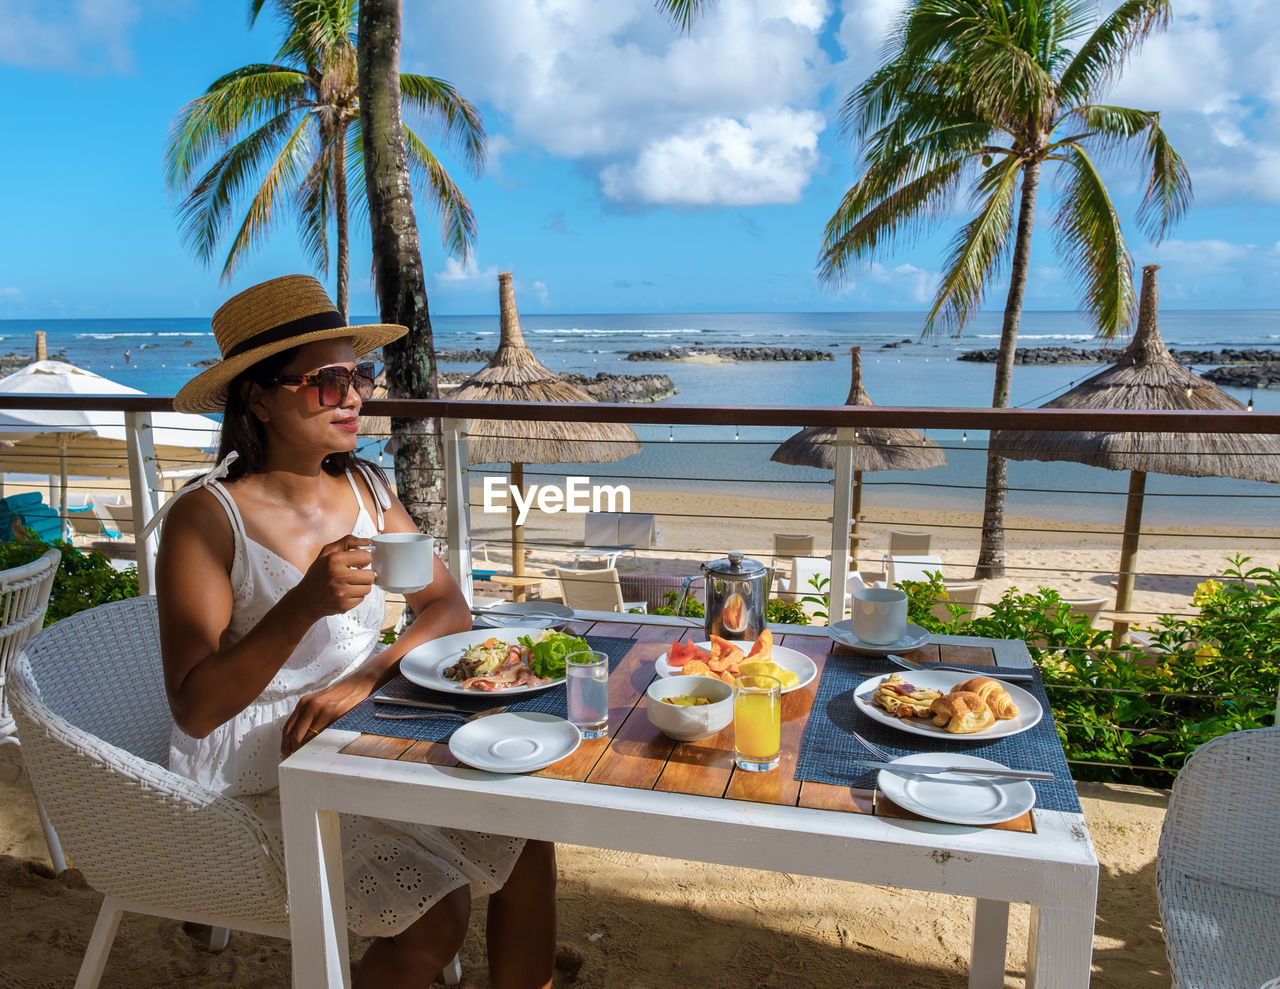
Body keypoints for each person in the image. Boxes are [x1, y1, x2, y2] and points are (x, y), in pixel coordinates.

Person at [154, 275, 555, 989]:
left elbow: (447, 606)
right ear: (258, 396)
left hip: (359, 719)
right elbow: (196, 705)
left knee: (526, 837)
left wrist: (368, 675)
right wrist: (302, 603)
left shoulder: (367, 487)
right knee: (438, 911)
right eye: (325, 380)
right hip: (258, 760)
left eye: (359, 374)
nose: (353, 395)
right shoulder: (207, 518)